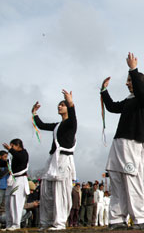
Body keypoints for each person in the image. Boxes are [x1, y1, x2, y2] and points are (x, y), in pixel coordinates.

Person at [101, 52, 144, 230]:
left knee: (132, 182)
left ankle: (139, 219)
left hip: (132, 145)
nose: (127, 83)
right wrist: (104, 91)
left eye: (129, 80)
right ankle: (117, 219)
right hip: (118, 145)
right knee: (117, 181)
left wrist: (133, 69)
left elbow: (142, 90)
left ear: (138, 81)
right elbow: (112, 107)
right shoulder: (130, 100)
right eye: (128, 80)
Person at [32, 90, 77, 230]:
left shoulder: (71, 123)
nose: (59, 107)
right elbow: (41, 125)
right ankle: (46, 222)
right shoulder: (57, 125)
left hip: (64, 158)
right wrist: (34, 114)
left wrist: (70, 102)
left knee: (60, 191)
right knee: (47, 192)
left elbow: (73, 115)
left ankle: (59, 223)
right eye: (58, 105)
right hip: (53, 159)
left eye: (62, 105)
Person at [1, 139, 29, 231]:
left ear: (18, 145)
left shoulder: (24, 153)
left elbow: (20, 158)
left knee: (16, 202)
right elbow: (4, 163)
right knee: (8, 203)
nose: (10, 148)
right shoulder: (12, 156)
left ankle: (16, 224)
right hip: (12, 180)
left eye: (12, 146)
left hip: (20, 179)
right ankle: (9, 224)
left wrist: (10, 150)